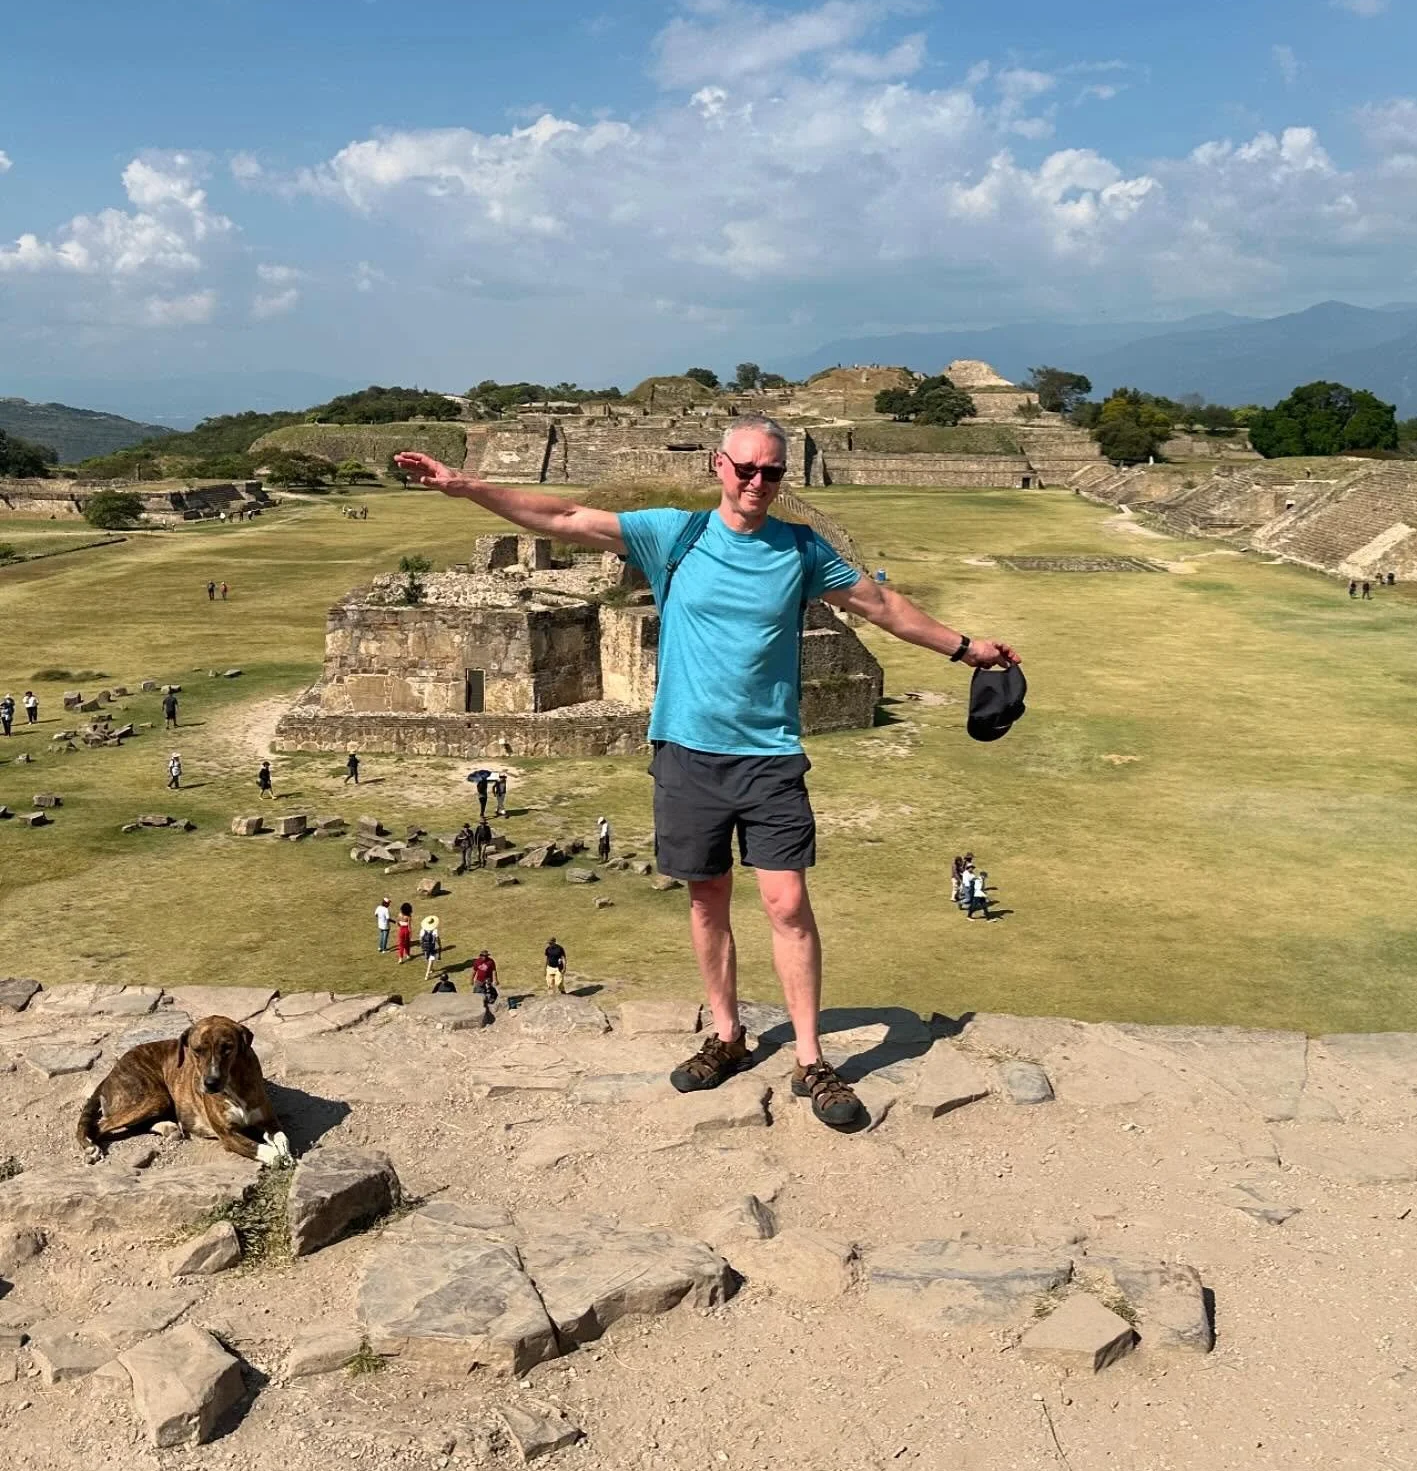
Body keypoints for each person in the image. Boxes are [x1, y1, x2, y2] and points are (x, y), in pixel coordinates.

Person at [394, 419, 1018, 1133]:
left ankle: (810, 1057)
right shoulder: (675, 535)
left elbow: (880, 606)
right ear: (720, 466)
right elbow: (564, 516)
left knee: (786, 903)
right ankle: (727, 1035)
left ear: (785, 476)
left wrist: (964, 647)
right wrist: (466, 486)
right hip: (688, 752)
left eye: (773, 473)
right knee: (706, 899)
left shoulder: (801, 549)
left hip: (770, 754)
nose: (758, 483)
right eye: (746, 469)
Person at [420, 914, 442, 980]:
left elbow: (420, 939)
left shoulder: (422, 930)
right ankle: (427, 974)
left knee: (429, 958)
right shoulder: (434, 930)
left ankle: (431, 969)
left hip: (424, 946)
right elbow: (437, 938)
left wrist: (422, 946)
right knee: (431, 958)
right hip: (432, 946)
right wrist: (440, 945)